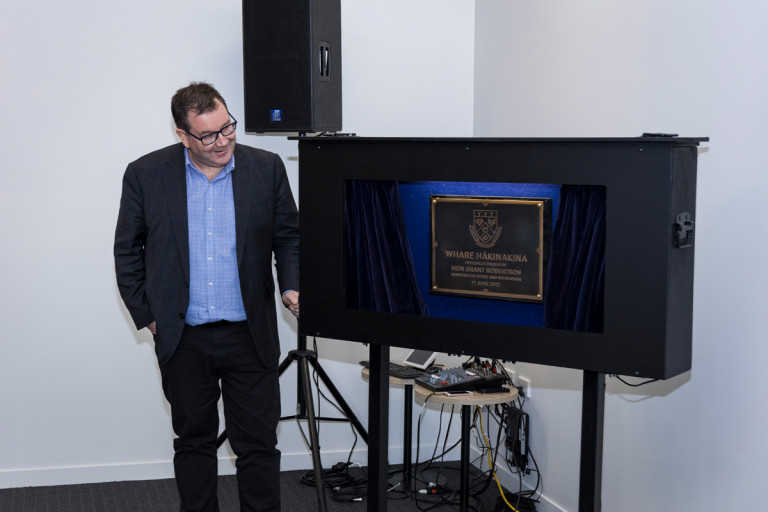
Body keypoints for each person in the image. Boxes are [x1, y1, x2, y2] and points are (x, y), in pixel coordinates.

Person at [114, 82, 299, 512]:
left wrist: (291, 285)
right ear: (183, 135)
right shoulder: (146, 174)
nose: (223, 141)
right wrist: (150, 316)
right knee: (195, 443)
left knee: (257, 445)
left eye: (227, 127)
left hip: (248, 335)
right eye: (209, 135)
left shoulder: (266, 168)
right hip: (183, 337)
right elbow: (127, 251)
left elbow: (288, 238)